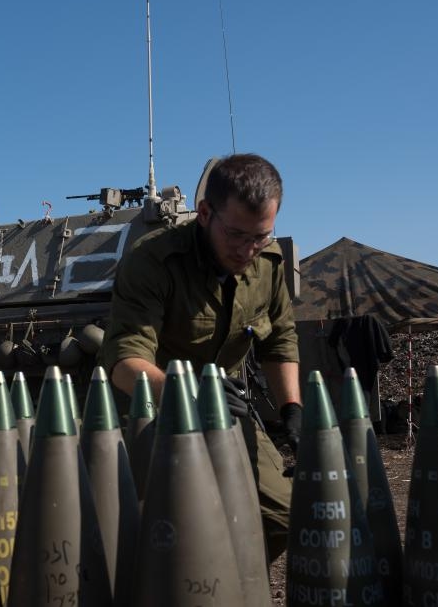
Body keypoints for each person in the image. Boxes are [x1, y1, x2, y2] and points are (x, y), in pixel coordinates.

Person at [100, 152, 301, 563]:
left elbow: (280, 339)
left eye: (260, 236)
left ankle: (225, 580)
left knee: (283, 517)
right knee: (157, 530)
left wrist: (293, 411)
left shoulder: (268, 263)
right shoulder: (153, 260)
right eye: (237, 235)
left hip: (228, 409)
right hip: (152, 410)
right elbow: (124, 361)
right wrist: (191, 393)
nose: (248, 250)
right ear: (206, 213)